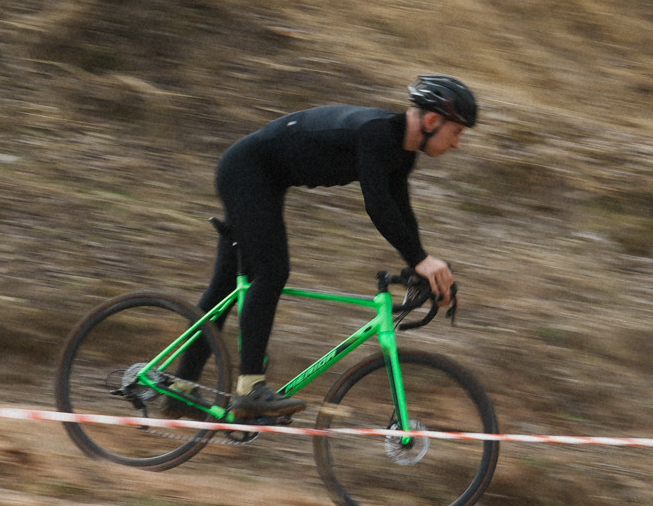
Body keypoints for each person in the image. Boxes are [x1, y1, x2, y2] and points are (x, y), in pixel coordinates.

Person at [187, 75, 478, 419]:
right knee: (272, 270)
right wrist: (421, 260)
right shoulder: (377, 133)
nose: (457, 144)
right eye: (457, 132)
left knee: (225, 287)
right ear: (432, 121)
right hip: (247, 171)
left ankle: (178, 389)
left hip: (265, 178)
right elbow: (377, 204)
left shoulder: (402, 153)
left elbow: (401, 212)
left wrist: (421, 265)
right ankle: (250, 388)